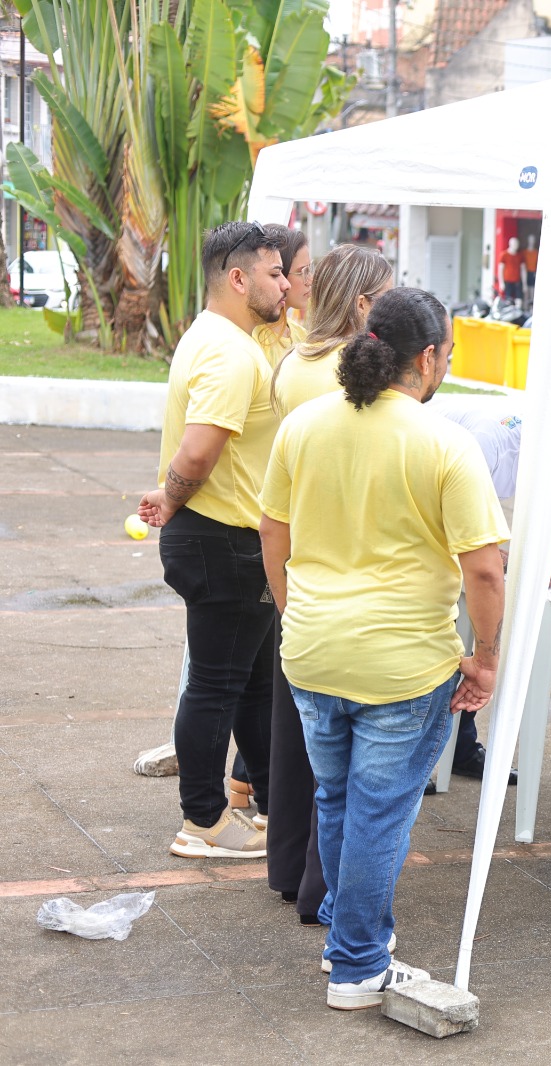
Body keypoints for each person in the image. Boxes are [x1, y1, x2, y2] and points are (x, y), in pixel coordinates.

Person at [260, 287, 507, 1009]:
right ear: (427, 358)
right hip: (403, 663)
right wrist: (486, 657)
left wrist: (296, 609)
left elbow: (272, 531)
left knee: (339, 799)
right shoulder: (444, 442)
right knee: (377, 812)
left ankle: (348, 937)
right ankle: (358, 965)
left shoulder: (304, 425)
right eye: (448, 355)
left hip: (312, 651)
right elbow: (485, 570)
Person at [138, 221, 289, 860]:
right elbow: (199, 451)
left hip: (224, 536)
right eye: (275, 273)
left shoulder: (215, 336)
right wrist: (171, 498)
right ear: (238, 278)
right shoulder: (230, 351)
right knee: (217, 686)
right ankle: (202, 819)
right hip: (222, 539)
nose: (285, 285)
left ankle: (276, 807)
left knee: (252, 685)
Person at [262, 242, 395, 923]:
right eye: (388, 295)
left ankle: (289, 868)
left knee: (295, 736)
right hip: (341, 565)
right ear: (364, 302)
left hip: (298, 563)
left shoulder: (295, 360)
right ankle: (320, 885)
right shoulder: (352, 372)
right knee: (338, 757)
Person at [426, 394, 551, 785]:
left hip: (440, 502)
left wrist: (529, 561)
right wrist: (504, 559)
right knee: (444, 637)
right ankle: (422, 755)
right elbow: (452, 521)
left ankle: (459, 748)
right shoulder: (492, 444)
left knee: (472, 627)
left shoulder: (540, 449)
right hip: (417, 507)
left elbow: (489, 529)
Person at [272, 244, 394, 415]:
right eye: (386, 300)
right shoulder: (370, 369)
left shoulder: (290, 362)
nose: (391, 308)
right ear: (361, 304)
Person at [254, 223, 311, 365]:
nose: (310, 280)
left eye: (309, 269)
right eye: (302, 272)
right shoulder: (254, 339)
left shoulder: (302, 335)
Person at [497, 236, 525, 305]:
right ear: (510, 244)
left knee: (519, 299)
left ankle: (518, 310)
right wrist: (501, 282)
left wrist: (524, 283)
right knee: (508, 299)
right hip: (507, 281)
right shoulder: (504, 255)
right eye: (514, 244)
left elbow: (523, 270)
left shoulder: (520, 256)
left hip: (517, 281)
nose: (516, 246)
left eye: (517, 244)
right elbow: (500, 269)